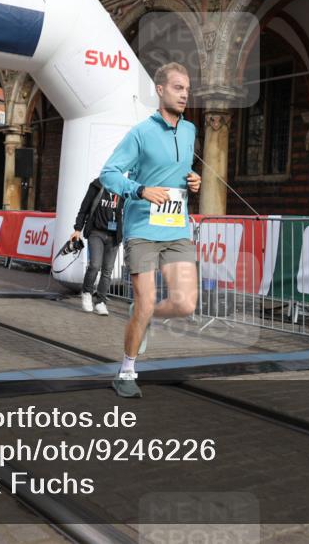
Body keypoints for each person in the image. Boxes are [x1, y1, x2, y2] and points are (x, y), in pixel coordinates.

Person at [99, 62, 201, 398]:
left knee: (185, 304)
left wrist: (193, 180)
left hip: (176, 227)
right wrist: (140, 189)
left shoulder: (189, 131)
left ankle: (140, 315)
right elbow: (109, 174)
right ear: (160, 90)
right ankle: (126, 371)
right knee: (147, 300)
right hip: (142, 227)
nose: (184, 94)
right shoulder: (140, 133)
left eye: (186, 88)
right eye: (177, 87)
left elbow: (180, 172)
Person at [71, 177, 124, 316]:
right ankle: (87, 292)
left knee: (107, 271)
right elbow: (84, 208)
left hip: (114, 236)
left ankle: (101, 302)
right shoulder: (97, 185)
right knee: (95, 265)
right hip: (96, 232)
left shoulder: (123, 187)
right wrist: (78, 229)